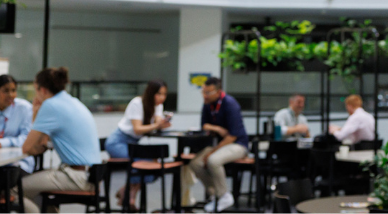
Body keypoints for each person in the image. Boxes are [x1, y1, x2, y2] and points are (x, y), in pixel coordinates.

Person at [19, 67, 101, 213]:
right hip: (91, 174)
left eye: (35, 89)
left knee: (15, 190)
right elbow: (43, 142)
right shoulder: (72, 101)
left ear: (42, 90)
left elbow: (27, 148)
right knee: (36, 190)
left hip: (75, 176)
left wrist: (36, 112)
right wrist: (37, 114)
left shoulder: (51, 105)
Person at [104, 80, 172, 209]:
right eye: (159, 94)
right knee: (140, 163)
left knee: (152, 163)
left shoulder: (157, 106)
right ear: (151, 93)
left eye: (164, 94)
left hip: (133, 144)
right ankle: (131, 197)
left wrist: (162, 125)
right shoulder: (137, 103)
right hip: (118, 142)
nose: (162, 97)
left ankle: (127, 191)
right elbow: (137, 129)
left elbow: (156, 123)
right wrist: (157, 125)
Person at [188, 77, 249, 213]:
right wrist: (217, 129)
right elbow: (204, 125)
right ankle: (216, 193)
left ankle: (224, 196)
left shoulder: (230, 104)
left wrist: (212, 151)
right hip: (220, 144)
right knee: (195, 164)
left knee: (213, 160)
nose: (205, 95)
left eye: (208, 93)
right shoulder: (207, 104)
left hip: (238, 144)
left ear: (218, 91)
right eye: (203, 92)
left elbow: (232, 136)